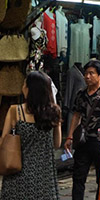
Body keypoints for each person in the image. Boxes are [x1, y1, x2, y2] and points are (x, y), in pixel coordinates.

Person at [1, 71, 61, 199]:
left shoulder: (15, 111)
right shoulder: (54, 112)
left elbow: (3, 142)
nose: (22, 87)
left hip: (17, 175)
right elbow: (57, 144)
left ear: (29, 89)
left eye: (24, 84)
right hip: (45, 178)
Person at [65, 60, 100, 200]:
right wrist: (69, 137)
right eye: (86, 73)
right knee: (78, 176)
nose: (87, 77)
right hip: (83, 140)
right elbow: (76, 116)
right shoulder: (81, 94)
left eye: (91, 73)